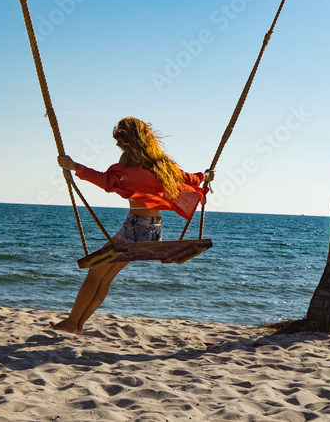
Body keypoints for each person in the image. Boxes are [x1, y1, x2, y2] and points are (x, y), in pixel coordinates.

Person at [49, 116, 214, 334]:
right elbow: (187, 178)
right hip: (155, 230)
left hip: (136, 225)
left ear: (128, 141)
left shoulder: (128, 160)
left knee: (95, 273)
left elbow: (107, 180)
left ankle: (73, 323)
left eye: (121, 142)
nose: (119, 147)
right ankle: (78, 325)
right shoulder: (162, 164)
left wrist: (76, 167)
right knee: (106, 277)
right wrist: (204, 176)